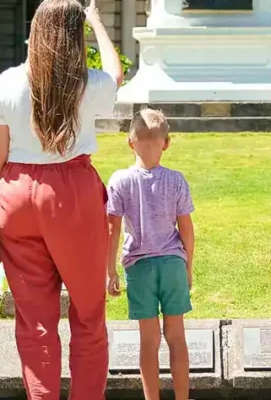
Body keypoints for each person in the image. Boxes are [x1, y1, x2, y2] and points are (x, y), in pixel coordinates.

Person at [0, 0, 124, 400]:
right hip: (73, 192)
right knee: (89, 314)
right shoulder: (88, 83)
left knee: (34, 321)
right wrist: (96, 23)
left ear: (35, 31)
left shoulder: (7, 82)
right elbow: (117, 73)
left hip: (16, 193)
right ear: (75, 36)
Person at [106, 109, 196, 400]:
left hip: (139, 265)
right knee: (177, 336)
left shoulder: (119, 181)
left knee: (148, 340)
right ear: (166, 143)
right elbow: (187, 230)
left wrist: (110, 271)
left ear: (130, 142)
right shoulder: (177, 180)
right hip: (172, 263)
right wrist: (188, 265)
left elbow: (113, 230)